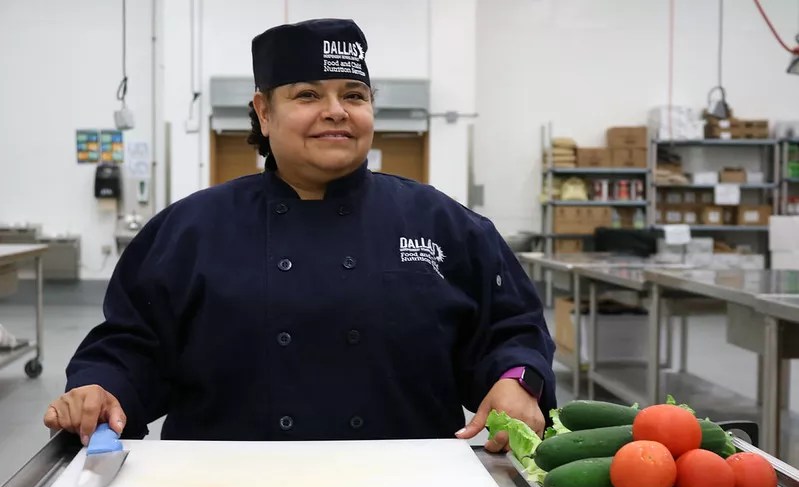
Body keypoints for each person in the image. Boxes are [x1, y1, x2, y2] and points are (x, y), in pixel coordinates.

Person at [43, 18, 556, 452]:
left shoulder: (443, 224)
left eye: (354, 95)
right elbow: (132, 344)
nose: (336, 110)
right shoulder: (191, 230)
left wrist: (516, 381)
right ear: (264, 112)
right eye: (308, 94)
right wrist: (102, 387)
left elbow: (510, 329)